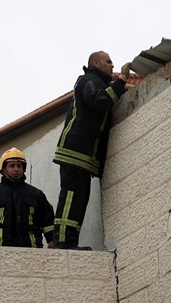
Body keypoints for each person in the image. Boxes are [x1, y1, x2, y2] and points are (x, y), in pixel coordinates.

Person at [52, 50, 134, 249]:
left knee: (78, 201)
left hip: (83, 157)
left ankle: (68, 243)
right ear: (96, 63)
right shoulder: (87, 79)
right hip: (75, 152)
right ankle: (64, 245)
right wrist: (121, 81)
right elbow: (100, 100)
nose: (113, 65)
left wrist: (116, 83)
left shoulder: (97, 81)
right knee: (71, 198)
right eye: (108, 61)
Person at [0, 148, 56, 248]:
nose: (16, 169)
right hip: (2, 251)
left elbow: (48, 219)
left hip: (32, 250)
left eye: (19, 166)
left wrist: (52, 240)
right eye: (12, 166)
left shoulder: (36, 194)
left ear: (23, 168)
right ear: (3, 170)